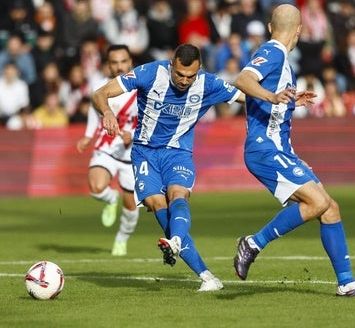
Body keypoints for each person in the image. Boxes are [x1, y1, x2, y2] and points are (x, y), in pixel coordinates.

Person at [232, 4, 355, 297]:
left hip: (280, 148)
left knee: (329, 206)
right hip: (265, 149)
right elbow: (243, 81)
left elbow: (258, 99)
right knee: (316, 202)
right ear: (300, 30)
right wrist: (273, 96)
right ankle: (253, 243)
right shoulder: (272, 52)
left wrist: (287, 102)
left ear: (272, 26)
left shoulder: (282, 60)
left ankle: (347, 285)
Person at [92, 43, 245, 291]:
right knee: (157, 205)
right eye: (180, 74)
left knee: (178, 194)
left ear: (200, 70)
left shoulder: (209, 83)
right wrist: (107, 113)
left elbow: (248, 96)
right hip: (144, 153)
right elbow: (99, 93)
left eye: (191, 76)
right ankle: (207, 277)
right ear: (171, 63)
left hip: (178, 152)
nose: (184, 81)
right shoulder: (149, 73)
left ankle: (177, 243)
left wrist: (280, 99)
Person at [76, 44, 140, 257]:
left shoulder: (143, 88)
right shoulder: (102, 88)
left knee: (131, 208)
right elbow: (95, 113)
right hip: (107, 147)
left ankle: (122, 239)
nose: (120, 67)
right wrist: (88, 135)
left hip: (132, 155)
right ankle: (110, 199)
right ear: (108, 65)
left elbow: (153, 121)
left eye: (123, 61)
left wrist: (134, 134)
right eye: (115, 62)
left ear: (130, 62)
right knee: (96, 186)